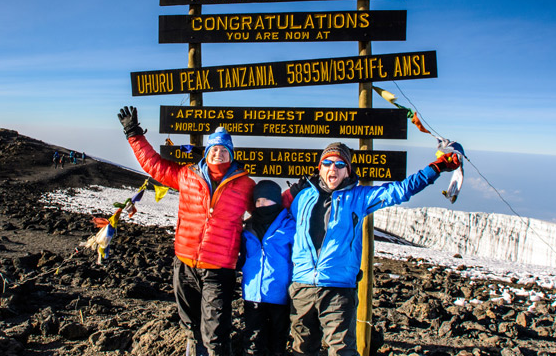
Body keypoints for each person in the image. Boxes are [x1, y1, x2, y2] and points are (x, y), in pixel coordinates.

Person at [282, 142, 461, 356]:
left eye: (340, 164)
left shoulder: (359, 197)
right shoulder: (301, 197)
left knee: (341, 350)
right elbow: (270, 213)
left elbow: (400, 191)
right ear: (319, 167)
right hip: (302, 286)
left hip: (338, 288)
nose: (333, 168)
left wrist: (436, 168)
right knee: (301, 349)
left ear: (348, 170)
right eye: (327, 163)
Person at [117, 106, 255, 356]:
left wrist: (300, 192)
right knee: (191, 326)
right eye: (215, 149)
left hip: (219, 269)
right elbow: (154, 165)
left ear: (231, 154)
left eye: (224, 150)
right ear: (207, 152)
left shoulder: (244, 184)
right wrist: (133, 133)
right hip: (184, 264)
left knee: (216, 332)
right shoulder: (186, 175)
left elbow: (269, 207)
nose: (219, 154)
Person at [239, 180, 295, 356]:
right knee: (253, 340)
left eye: (266, 200)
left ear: (276, 201)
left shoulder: (289, 225)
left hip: (280, 295)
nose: (262, 204)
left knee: (277, 341)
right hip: (253, 294)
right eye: (258, 201)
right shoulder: (247, 227)